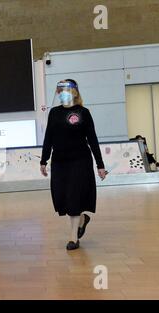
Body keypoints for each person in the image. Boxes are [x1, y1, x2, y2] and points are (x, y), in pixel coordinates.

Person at [40, 79, 107, 250]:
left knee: (73, 196)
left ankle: (73, 238)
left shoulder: (83, 112)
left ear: (74, 92)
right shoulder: (54, 113)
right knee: (63, 197)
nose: (61, 93)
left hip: (80, 161)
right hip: (60, 162)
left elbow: (92, 139)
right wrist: (44, 160)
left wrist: (100, 164)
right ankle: (82, 220)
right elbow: (49, 138)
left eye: (65, 89)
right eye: (59, 90)